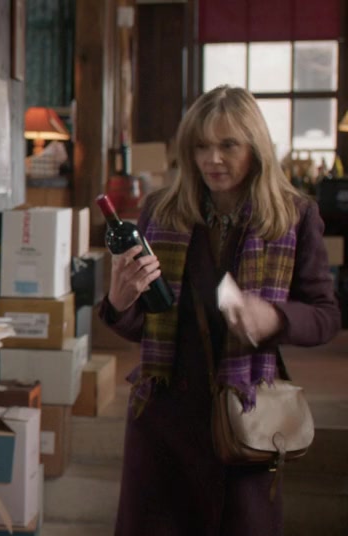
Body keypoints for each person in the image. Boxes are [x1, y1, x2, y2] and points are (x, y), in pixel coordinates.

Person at [101, 85, 340, 535]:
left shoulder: (293, 216)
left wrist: (276, 318)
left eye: (228, 145)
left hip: (246, 418)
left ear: (256, 148)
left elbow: (326, 316)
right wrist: (119, 301)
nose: (212, 159)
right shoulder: (161, 211)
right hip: (165, 419)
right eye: (201, 146)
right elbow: (141, 325)